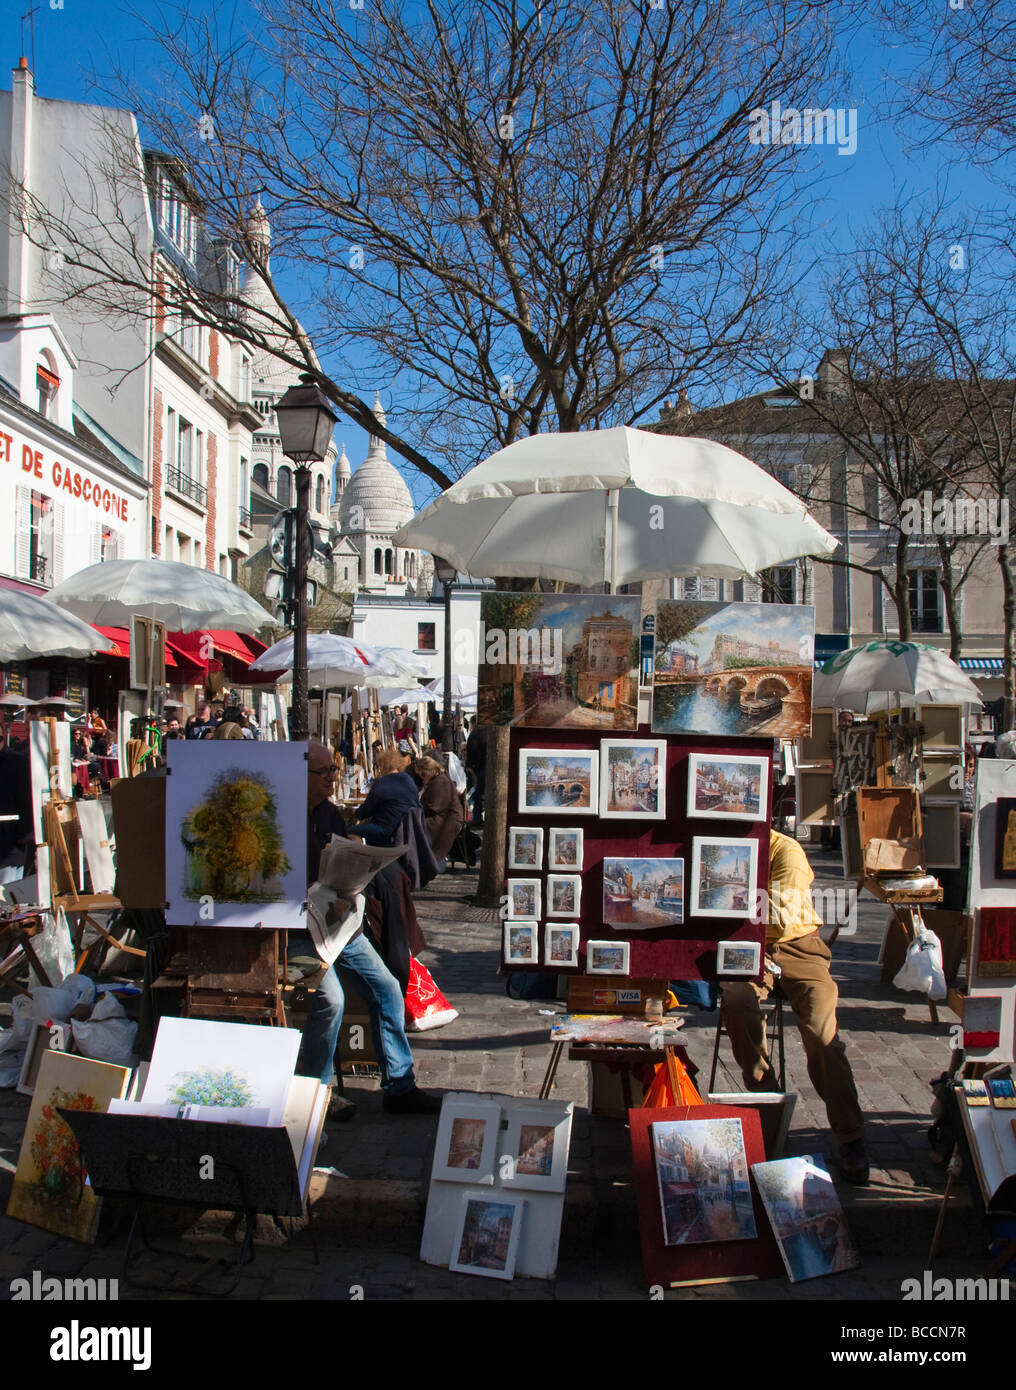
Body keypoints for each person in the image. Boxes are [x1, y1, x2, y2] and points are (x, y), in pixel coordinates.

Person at [296, 741, 439, 1115]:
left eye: (333, 771)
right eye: (324, 772)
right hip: (301, 927)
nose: (332, 778)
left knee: (389, 989)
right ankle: (317, 1092)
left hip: (338, 921)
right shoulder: (286, 817)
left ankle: (400, 1086)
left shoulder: (327, 812)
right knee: (332, 1000)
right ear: (302, 775)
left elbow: (336, 857)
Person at [719, 828, 868, 1184]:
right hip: (745, 944)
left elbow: (780, 916)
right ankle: (768, 1102)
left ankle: (851, 1135)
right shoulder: (722, 845)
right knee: (737, 1000)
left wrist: (715, 897)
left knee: (820, 1029)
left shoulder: (785, 850)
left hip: (797, 945)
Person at [353, 747, 424, 846]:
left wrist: (355, 813)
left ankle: (362, 859)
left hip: (388, 830)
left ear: (383, 766)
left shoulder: (382, 783)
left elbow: (364, 811)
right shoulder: (409, 780)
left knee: (351, 832)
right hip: (410, 829)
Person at [415, 754, 464, 870]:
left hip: (449, 819)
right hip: (445, 816)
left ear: (428, 772)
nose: (422, 778)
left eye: (423, 775)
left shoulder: (439, 782)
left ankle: (429, 861)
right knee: (418, 824)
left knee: (419, 826)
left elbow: (433, 807)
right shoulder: (439, 779)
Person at [464, 718, 488, 822]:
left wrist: (469, 766)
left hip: (479, 768)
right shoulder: (491, 731)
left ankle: (477, 818)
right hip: (488, 768)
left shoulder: (475, 733)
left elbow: (471, 752)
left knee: (477, 794)